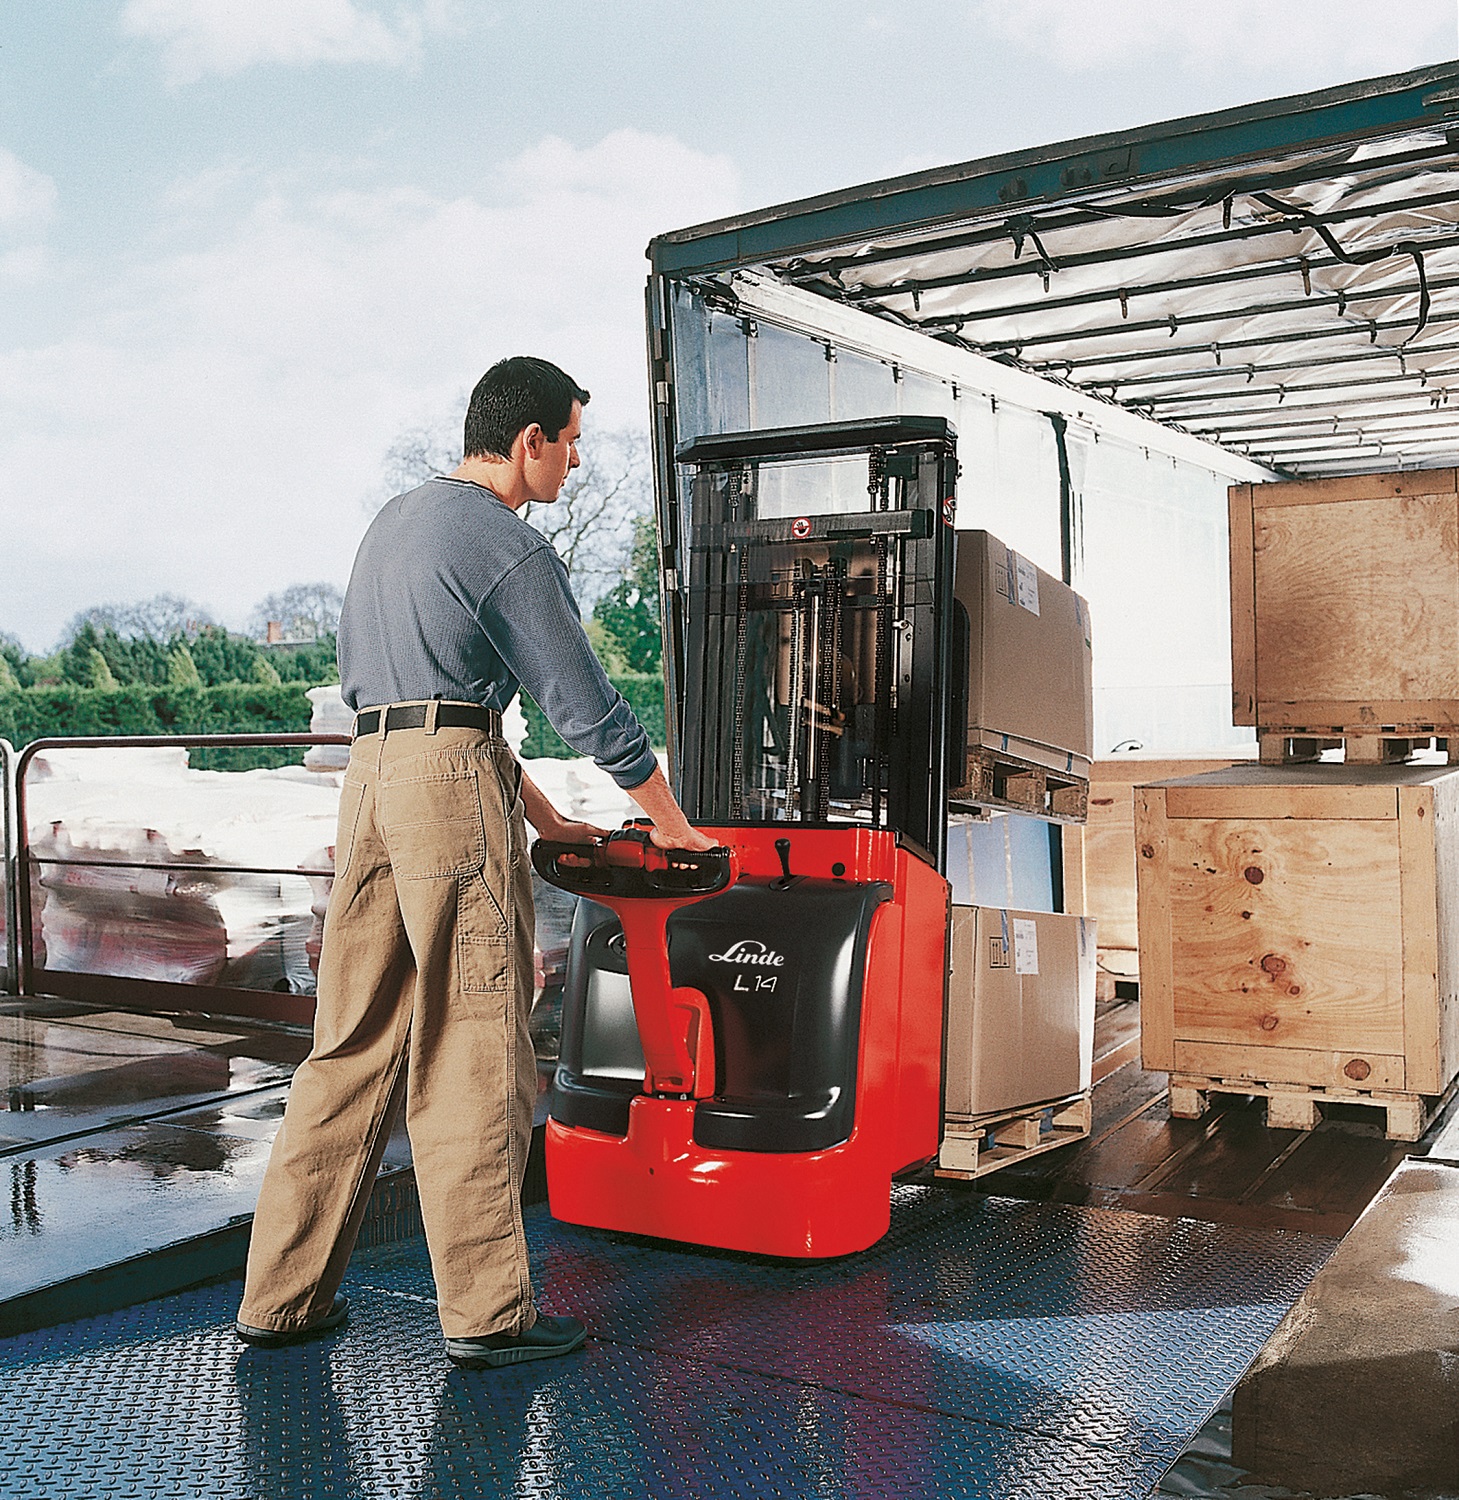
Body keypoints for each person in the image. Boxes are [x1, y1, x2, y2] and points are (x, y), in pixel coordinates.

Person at [235, 356, 715, 1368]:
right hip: (447, 790)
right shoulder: (507, 546)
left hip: (369, 782)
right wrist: (668, 822)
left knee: (349, 1043)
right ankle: (488, 1315)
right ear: (528, 439)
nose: (578, 462)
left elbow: (437, 706)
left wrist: (547, 818)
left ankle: (280, 1299)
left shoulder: (395, 523)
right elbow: (585, 708)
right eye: (573, 440)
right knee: (472, 1042)